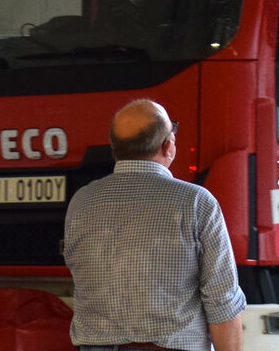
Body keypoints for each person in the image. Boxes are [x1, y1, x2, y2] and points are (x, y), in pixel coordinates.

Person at [64, 99, 245, 351]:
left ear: (115, 148)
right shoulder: (195, 202)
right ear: (168, 146)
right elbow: (221, 298)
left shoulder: (81, 202)